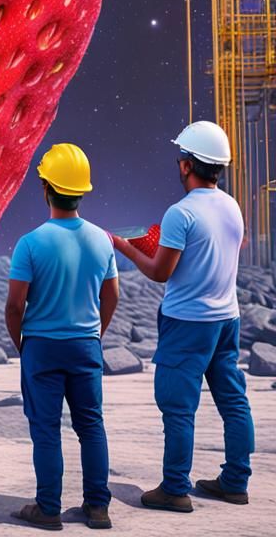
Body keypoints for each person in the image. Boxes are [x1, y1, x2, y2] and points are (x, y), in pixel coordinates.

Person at [113, 121, 254, 512]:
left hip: (187, 322)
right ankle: (236, 481)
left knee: (178, 407)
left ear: (187, 165)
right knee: (233, 402)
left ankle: (175, 488)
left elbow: (161, 272)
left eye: (181, 158)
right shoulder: (232, 206)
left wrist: (124, 247)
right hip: (227, 318)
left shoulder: (181, 213)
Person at [5, 143, 119, 532]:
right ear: (82, 191)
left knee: (46, 429)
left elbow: (15, 306)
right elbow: (113, 295)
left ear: (45, 188)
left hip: (41, 347)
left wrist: (21, 344)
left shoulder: (30, 243)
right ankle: (98, 507)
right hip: (86, 345)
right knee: (91, 425)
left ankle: (48, 508)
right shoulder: (102, 240)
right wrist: (95, 333)